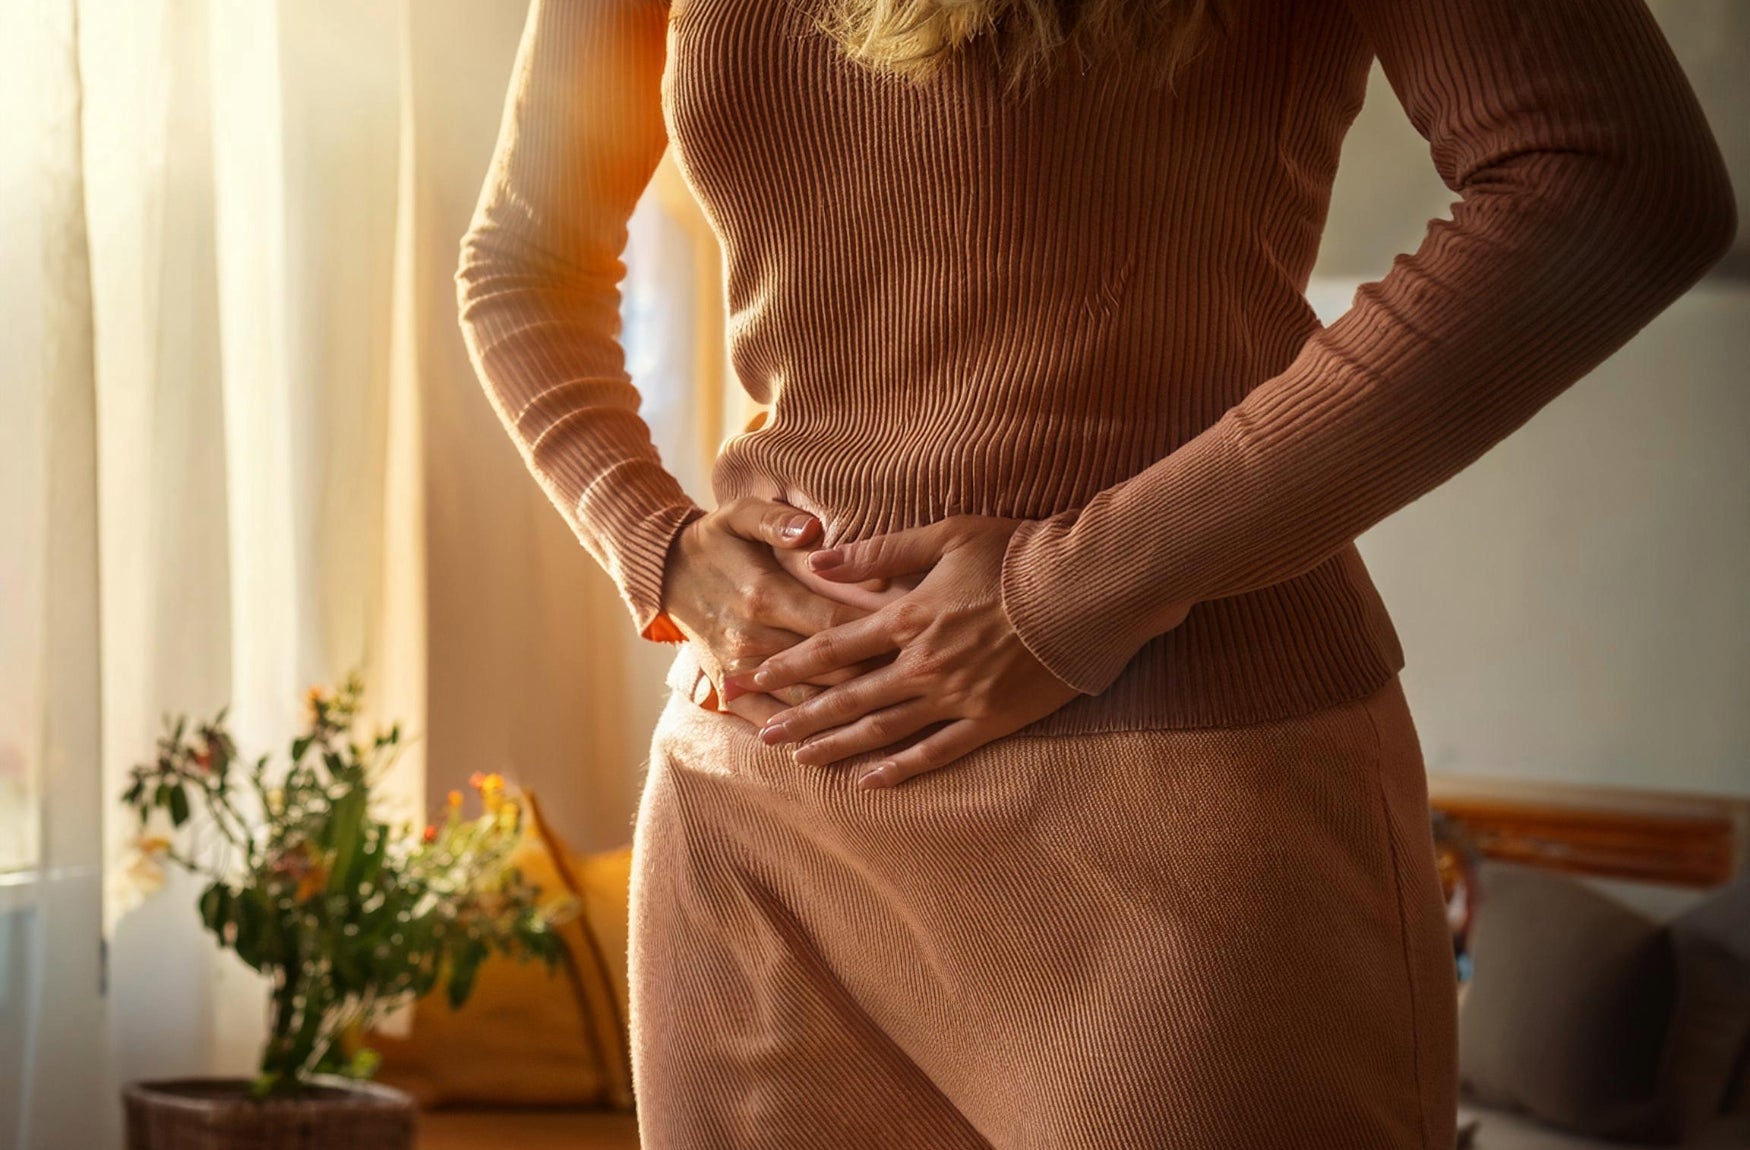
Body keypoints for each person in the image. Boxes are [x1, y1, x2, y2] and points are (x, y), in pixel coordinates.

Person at [455, 0, 1735, 1145]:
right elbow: (523, 257)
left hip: (1176, 813)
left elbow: (1611, 174)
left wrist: (1076, 588)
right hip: (757, 808)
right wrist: (664, 546)